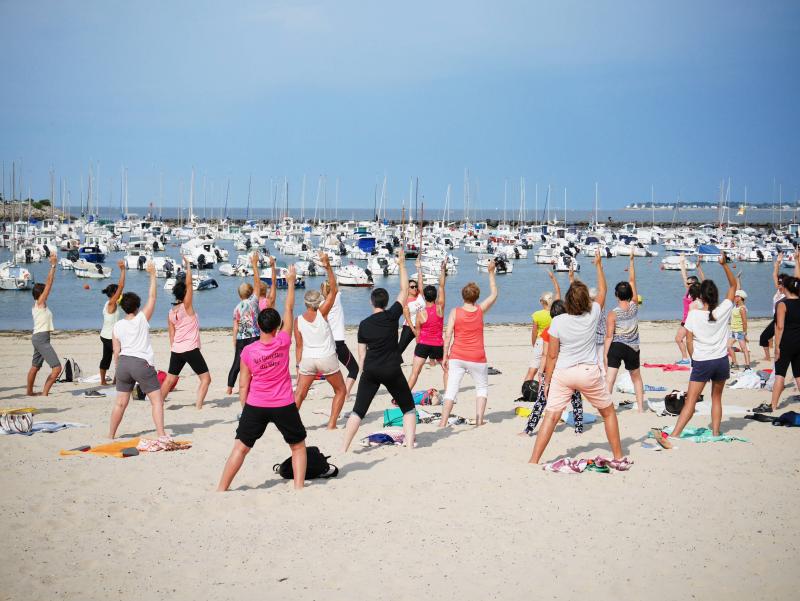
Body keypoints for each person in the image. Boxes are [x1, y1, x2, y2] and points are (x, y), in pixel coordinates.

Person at [528, 251, 628, 467]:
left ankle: (533, 460)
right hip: (587, 373)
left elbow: (552, 356)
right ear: (586, 301)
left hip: (563, 374)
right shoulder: (593, 314)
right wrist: (599, 265)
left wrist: (546, 381)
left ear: (567, 301)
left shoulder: (558, 322)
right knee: (609, 413)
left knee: (551, 416)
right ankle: (618, 455)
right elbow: (603, 291)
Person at [217, 266, 307, 491]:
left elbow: (243, 382)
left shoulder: (248, 351)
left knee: (240, 448)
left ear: (258, 326)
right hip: (283, 404)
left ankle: (222, 488)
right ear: (277, 327)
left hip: (256, 404)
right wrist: (292, 282)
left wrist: (244, 406)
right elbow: (289, 307)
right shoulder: (283, 341)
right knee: (297, 446)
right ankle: (298, 488)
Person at [341, 248, 416, 452]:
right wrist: (402, 264)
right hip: (391, 368)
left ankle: (345, 447)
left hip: (371, 370)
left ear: (371, 302)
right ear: (385, 302)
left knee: (358, 411)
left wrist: (364, 371)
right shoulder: (392, 316)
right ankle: (409, 446)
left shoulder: (364, 325)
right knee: (408, 408)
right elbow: (404, 290)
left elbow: (361, 354)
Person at [668, 254, 737, 438]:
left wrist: (693, 360)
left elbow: (689, 341)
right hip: (721, 361)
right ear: (715, 296)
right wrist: (724, 265)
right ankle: (715, 432)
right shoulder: (723, 310)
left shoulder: (694, 315)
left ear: (700, 296)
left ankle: (675, 433)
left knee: (691, 401)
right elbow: (733, 286)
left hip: (703, 362)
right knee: (716, 398)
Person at [109, 261, 167, 439]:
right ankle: (161, 434)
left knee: (120, 403)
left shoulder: (117, 325)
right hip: (141, 363)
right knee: (156, 401)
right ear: (136, 307)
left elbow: (116, 352)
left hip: (124, 364)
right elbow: (153, 297)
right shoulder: (141, 319)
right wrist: (152, 274)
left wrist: (118, 371)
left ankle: (111, 435)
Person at [439, 259, 499, 428]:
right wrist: (491, 272)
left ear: (462, 296)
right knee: (481, 389)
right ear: (477, 297)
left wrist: (445, 356)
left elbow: (448, 335)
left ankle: (443, 422)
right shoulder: (480, 310)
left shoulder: (455, 312)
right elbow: (494, 294)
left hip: (457, 355)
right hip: (477, 357)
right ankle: (479, 421)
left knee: (451, 390)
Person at [294, 253, 348, 429]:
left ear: (305, 303)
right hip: (326, 357)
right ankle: (331, 424)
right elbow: (333, 290)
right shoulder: (321, 313)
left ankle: (292, 424)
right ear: (318, 302)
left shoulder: (298, 320)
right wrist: (328, 266)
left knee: (300, 394)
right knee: (340, 390)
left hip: (307, 359)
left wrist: (298, 366)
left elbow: (299, 346)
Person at [160, 256, 211, 410]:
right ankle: (198, 406)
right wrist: (188, 265)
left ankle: (158, 403)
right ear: (185, 295)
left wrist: (174, 347)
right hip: (189, 349)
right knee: (206, 379)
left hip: (176, 349)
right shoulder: (186, 307)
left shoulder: (170, 312)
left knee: (169, 380)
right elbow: (189, 284)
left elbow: (171, 334)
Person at [753, 252, 800, 414]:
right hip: (799, 341)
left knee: (780, 373)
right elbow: (797, 279)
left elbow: (779, 327)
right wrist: (797, 260)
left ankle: (773, 405)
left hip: (786, 342)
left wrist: (777, 347)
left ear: (785, 288)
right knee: (798, 374)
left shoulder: (782, 304)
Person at [605, 254, 644, 412]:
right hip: (633, 347)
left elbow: (609, 336)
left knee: (610, 379)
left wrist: (604, 354)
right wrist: (632, 261)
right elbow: (633, 281)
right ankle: (641, 408)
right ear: (630, 295)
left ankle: (608, 408)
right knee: (636, 378)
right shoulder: (634, 305)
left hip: (617, 346)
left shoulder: (613, 313)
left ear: (616, 295)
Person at [407, 259, 448, 391]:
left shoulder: (420, 313)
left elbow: (418, 334)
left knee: (415, 373)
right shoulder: (440, 308)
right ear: (435, 297)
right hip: (437, 345)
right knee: (447, 370)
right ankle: (449, 395)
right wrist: (443, 269)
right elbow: (442, 286)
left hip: (423, 345)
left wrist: (418, 346)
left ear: (424, 297)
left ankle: (403, 397)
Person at [226, 253, 264, 395]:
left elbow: (235, 325)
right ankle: (256, 383)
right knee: (256, 361)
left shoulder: (236, 308)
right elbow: (257, 282)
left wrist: (234, 339)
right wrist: (254, 264)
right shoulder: (254, 301)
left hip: (241, 337)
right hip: (254, 336)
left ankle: (229, 387)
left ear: (239, 295)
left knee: (237, 362)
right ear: (251, 293)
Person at [27, 253, 62, 396]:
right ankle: (45, 393)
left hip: (39, 337)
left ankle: (29, 392)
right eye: (45, 292)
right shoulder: (40, 303)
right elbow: (49, 283)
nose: (48, 293)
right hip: (41, 338)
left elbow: (47, 286)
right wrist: (53, 266)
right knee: (57, 368)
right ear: (40, 294)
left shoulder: (39, 305)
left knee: (35, 366)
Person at [321, 279, 359, 400]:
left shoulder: (321, 304)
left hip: (326, 344)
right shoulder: (335, 299)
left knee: (330, 372)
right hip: (338, 343)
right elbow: (335, 286)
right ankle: (345, 394)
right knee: (354, 369)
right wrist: (328, 267)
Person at [523, 271, 560, 382]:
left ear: (541, 302)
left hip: (540, 341)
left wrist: (534, 344)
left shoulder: (537, 314)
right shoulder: (555, 312)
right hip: (552, 341)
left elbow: (534, 332)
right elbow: (558, 292)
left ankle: (526, 389)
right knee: (549, 368)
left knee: (532, 369)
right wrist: (553, 278)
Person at [99, 261, 126, 385]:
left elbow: (120, 291)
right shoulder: (111, 304)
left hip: (106, 335)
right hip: (109, 337)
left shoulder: (109, 304)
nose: (119, 294)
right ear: (114, 294)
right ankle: (115, 380)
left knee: (106, 358)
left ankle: (103, 381)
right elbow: (121, 287)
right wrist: (122, 270)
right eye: (117, 293)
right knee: (120, 358)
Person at [675, 256, 705, 365]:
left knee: (690, 340)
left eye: (688, 283)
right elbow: (684, 277)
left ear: (694, 284)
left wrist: (699, 268)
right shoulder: (688, 291)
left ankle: (692, 359)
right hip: (685, 320)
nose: (686, 284)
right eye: (687, 283)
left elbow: (705, 282)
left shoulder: (698, 295)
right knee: (678, 339)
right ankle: (686, 358)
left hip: (692, 321)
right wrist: (682, 263)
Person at [759, 253, 787, 362]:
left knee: (780, 342)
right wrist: (778, 263)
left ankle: (780, 358)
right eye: (778, 283)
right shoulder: (778, 290)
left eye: (781, 283)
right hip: (775, 319)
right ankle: (767, 357)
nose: (779, 284)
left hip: (783, 320)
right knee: (764, 337)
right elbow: (774, 275)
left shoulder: (787, 293)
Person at [398, 266, 425, 357]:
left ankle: (432, 362)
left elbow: (421, 282)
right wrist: (413, 330)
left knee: (426, 345)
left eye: (415, 286)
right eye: (412, 287)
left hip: (422, 326)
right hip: (410, 327)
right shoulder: (405, 300)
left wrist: (419, 268)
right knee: (401, 347)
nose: (415, 288)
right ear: (408, 289)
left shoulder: (420, 295)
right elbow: (407, 317)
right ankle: (392, 361)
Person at [727, 280, 751, 370]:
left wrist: (745, 333)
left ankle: (747, 365)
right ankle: (734, 363)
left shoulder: (742, 309)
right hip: (733, 331)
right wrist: (737, 279)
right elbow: (738, 289)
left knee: (744, 348)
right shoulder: (736, 305)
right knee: (728, 347)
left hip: (740, 331)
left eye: (736, 296)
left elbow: (745, 322)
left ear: (740, 298)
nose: (734, 297)